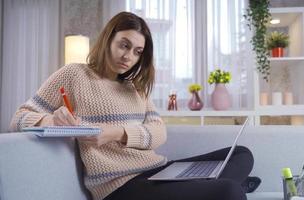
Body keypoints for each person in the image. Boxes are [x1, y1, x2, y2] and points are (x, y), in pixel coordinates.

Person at [10, 12, 260, 200]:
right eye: (124, 45)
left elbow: (159, 132)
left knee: (242, 154)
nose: (129, 56)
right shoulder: (75, 75)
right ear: (108, 39)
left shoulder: (135, 86)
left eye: (138, 51)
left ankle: (219, 184)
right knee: (229, 191)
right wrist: (50, 121)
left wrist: (118, 133)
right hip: (120, 186)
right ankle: (230, 185)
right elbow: (20, 117)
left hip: (156, 170)